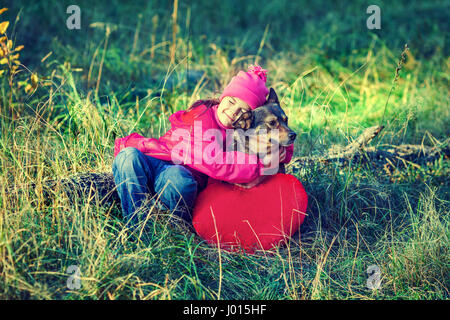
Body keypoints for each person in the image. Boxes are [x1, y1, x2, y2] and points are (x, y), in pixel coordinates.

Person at [112, 64, 293, 227]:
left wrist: (283, 152)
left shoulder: (242, 130)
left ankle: (173, 227)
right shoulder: (202, 116)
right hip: (158, 161)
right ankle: (135, 225)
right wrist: (262, 165)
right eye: (230, 102)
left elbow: (272, 137)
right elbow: (213, 161)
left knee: (178, 179)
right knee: (128, 156)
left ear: (249, 117)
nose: (232, 112)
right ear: (223, 98)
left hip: (181, 177)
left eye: (242, 111)